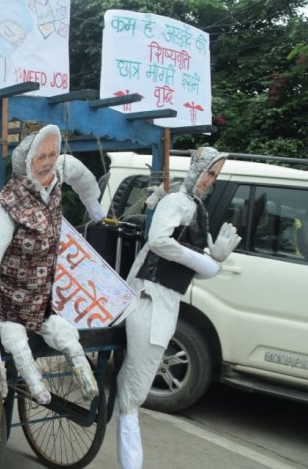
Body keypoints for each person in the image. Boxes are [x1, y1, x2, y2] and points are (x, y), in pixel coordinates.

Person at [115, 147, 240, 469]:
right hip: (149, 300)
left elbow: (197, 266)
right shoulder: (175, 202)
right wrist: (206, 262)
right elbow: (159, 241)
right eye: (210, 173)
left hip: (167, 303)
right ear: (196, 170)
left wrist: (216, 257)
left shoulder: (198, 209)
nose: (211, 181)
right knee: (134, 394)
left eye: (216, 175)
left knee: (134, 390)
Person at [0, 125, 105, 405]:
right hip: (8, 303)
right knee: (16, 338)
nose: (47, 162)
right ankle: (36, 388)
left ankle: (83, 371)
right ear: (26, 163)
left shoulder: (58, 170)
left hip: (41, 301)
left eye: (52, 154)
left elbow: (81, 174)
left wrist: (95, 209)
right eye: (40, 157)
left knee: (65, 334)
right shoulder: (8, 205)